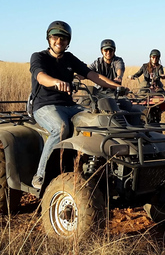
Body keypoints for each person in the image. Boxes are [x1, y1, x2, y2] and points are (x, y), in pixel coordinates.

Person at [30, 20, 121, 189]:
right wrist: (56, 82)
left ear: (68, 41)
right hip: (44, 106)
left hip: (69, 105)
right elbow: (40, 76)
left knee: (99, 120)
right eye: (55, 37)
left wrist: (117, 86)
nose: (59, 41)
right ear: (49, 38)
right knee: (61, 128)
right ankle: (41, 175)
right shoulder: (39, 57)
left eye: (63, 38)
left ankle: (98, 171)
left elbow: (92, 74)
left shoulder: (69, 58)